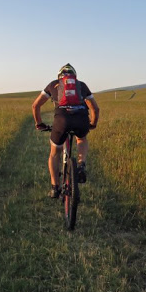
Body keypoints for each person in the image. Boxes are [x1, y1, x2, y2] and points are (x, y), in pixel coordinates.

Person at [31, 64, 100, 199]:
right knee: (81, 138)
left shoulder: (53, 84)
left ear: (59, 76)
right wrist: (93, 124)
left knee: (54, 152)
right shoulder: (82, 85)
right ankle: (81, 164)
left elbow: (35, 106)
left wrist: (39, 124)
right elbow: (95, 109)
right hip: (81, 119)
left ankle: (54, 188)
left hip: (62, 121)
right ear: (74, 76)